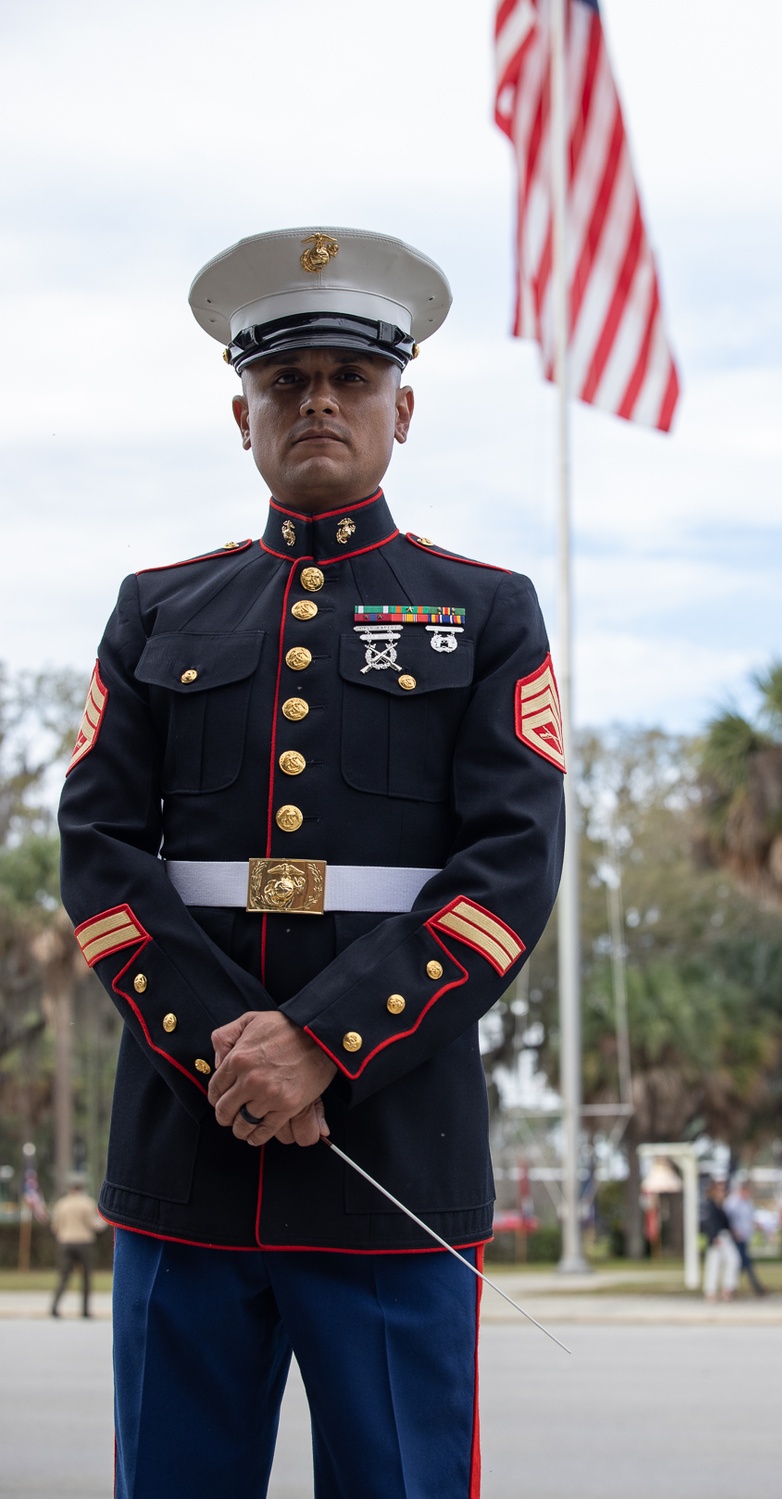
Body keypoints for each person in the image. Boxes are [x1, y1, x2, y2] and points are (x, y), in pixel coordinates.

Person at [58, 226, 565, 1499]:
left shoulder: (481, 610)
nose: (319, 402)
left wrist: (325, 1043)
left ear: (405, 405)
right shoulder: (159, 608)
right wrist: (229, 1049)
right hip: (189, 1149)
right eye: (287, 382)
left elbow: (508, 867)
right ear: (243, 415)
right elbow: (102, 852)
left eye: (350, 377)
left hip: (389, 1154)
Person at [49, 1175, 105, 1318]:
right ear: (82, 1188)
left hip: (65, 1241)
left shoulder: (62, 1204)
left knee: (64, 1276)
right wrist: (104, 1224)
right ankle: (85, 1310)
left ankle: (54, 1307)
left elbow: (55, 1226)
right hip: (83, 1241)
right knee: (86, 1276)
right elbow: (94, 1224)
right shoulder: (87, 1203)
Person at [724, 1176, 766, 1296]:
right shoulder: (732, 1202)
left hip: (745, 1236)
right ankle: (756, 1287)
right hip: (737, 1237)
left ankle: (731, 1287)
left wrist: (758, 1226)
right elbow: (728, 1219)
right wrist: (734, 1231)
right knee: (745, 1262)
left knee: (740, 1264)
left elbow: (750, 1218)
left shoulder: (747, 1202)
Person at [702, 1178, 740, 1301]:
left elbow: (725, 1223)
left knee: (718, 1263)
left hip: (723, 1236)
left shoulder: (720, 1206)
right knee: (729, 1261)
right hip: (718, 1238)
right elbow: (709, 1223)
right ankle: (717, 1290)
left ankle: (718, 1290)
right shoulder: (710, 1205)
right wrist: (714, 1237)